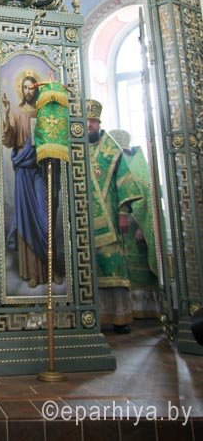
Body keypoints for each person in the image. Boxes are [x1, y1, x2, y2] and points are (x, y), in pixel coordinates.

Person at [87, 100, 143, 333]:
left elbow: (124, 182)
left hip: (109, 217)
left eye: (93, 121)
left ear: (99, 123)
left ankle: (120, 319)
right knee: (88, 269)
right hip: (84, 221)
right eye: (86, 121)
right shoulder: (76, 147)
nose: (89, 125)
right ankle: (92, 318)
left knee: (113, 264)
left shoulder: (112, 148)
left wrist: (123, 213)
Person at [1, 72, 51, 288]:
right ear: (20, 90)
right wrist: (6, 112)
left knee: (42, 216)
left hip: (39, 167)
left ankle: (47, 269)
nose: (27, 91)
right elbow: (8, 140)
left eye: (31, 87)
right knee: (26, 218)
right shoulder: (17, 112)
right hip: (23, 168)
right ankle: (30, 271)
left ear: (36, 89)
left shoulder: (42, 113)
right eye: (24, 87)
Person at [110, 129, 161, 320]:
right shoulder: (116, 165)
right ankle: (128, 308)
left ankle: (146, 308)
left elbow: (147, 197)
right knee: (125, 267)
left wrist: (141, 226)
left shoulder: (138, 166)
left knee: (140, 267)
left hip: (138, 226)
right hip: (120, 226)